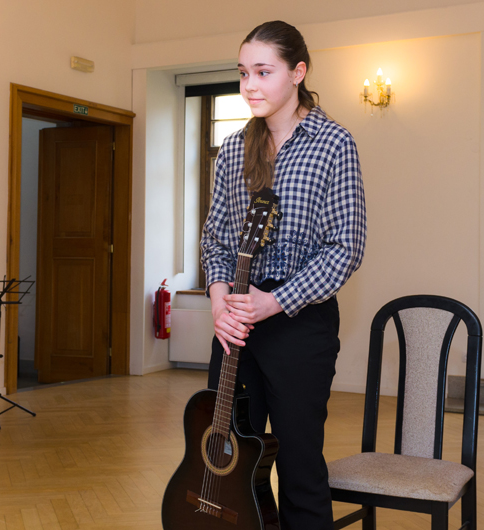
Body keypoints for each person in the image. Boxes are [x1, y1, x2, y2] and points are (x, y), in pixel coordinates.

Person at [200, 20, 367, 530]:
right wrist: (219, 303)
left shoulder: (333, 144)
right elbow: (216, 240)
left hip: (300, 325)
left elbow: (346, 248)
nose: (249, 85)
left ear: (298, 72)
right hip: (235, 324)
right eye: (243, 73)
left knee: (299, 469)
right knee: (227, 463)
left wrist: (274, 301)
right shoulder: (233, 150)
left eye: (263, 72)